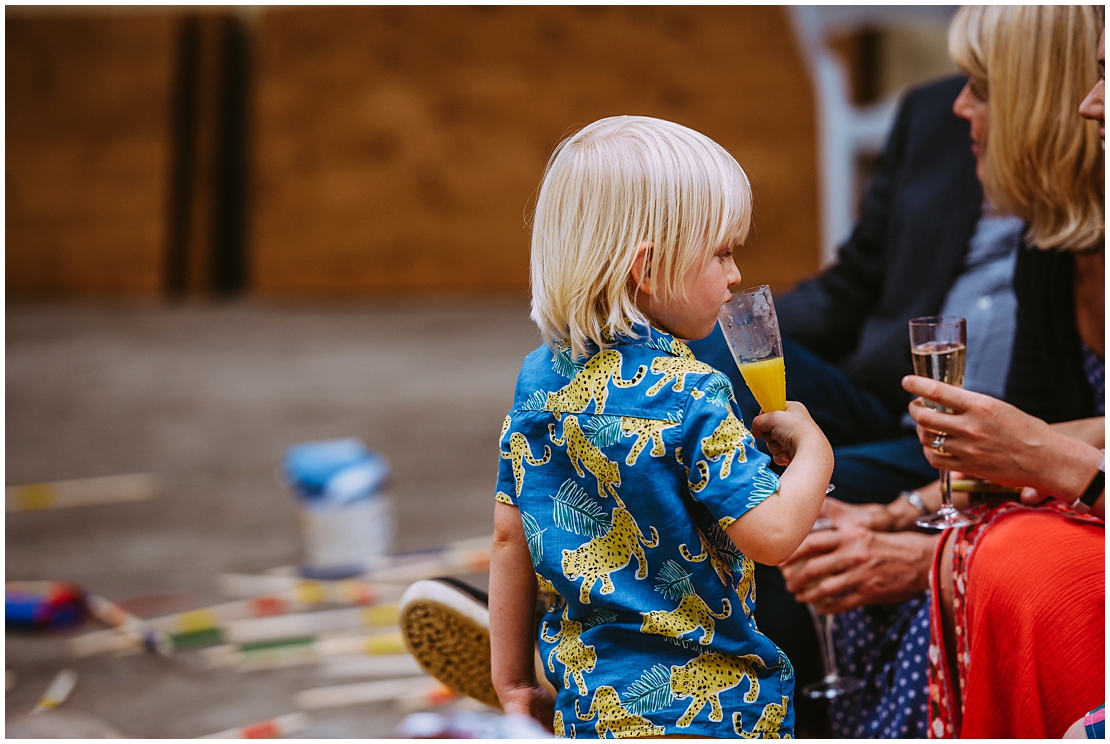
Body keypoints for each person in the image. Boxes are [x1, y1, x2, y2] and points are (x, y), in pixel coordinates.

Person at [782, 5, 1104, 739]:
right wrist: (898, 517)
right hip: (915, 421)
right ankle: (609, 659)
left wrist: (927, 546)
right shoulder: (1054, 250)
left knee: (1004, 558)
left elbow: (1049, 449)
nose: (960, 103)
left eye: (982, 85)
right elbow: (1056, 439)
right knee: (707, 374)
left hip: (1020, 495)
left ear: (1035, 99)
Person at [687, 71, 1027, 735]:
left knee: (763, 491)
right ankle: (599, 627)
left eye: (983, 82)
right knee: (702, 361)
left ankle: (707, 690)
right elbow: (853, 285)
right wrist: (725, 321)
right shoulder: (933, 112)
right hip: (889, 395)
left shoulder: (1069, 204)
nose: (964, 103)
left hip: (985, 439)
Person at [488, 115, 834, 737]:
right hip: (713, 711)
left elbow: (511, 538)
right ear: (646, 270)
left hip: (591, 708)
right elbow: (775, 535)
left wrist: (513, 682)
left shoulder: (538, 379)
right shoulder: (693, 391)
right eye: (722, 253)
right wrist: (815, 453)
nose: (733, 275)